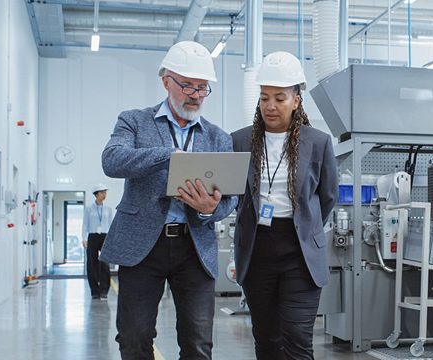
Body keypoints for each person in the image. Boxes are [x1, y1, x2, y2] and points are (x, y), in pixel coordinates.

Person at [100, 41, 237, 360]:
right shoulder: (134, 121)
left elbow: (232, 199)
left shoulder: (218, 137)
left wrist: (211, 209)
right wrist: (167, 156)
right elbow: (112, 160)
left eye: (202, 88)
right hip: (142, 247)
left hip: (195, 246)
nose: (195, 94)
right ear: (166, 81)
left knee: (198, 342)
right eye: (187, 85)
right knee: (134, 337)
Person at [231, 51, 338, 360]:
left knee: (297, 338)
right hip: (257, 249)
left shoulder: (317, 142)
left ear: (296, 99)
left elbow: (327, 196)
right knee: (266, 339)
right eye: (264, 97)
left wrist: (306, 226)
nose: (270, 105)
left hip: (300, 252)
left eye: (279, 98)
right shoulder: (240, 141)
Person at [83, 184, 114, 300]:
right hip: (92, 236)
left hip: (105, 236)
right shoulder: (89, 209)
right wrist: (84, 238)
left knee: (105, 263)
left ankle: (104, 291)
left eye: (105, 192)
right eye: (102, 193)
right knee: (92, 264)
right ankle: (94, 291)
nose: (104, 195)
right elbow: (85, 224)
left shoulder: (108, 209)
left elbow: (111, 225)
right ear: (96, 194)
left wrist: (111, 240)